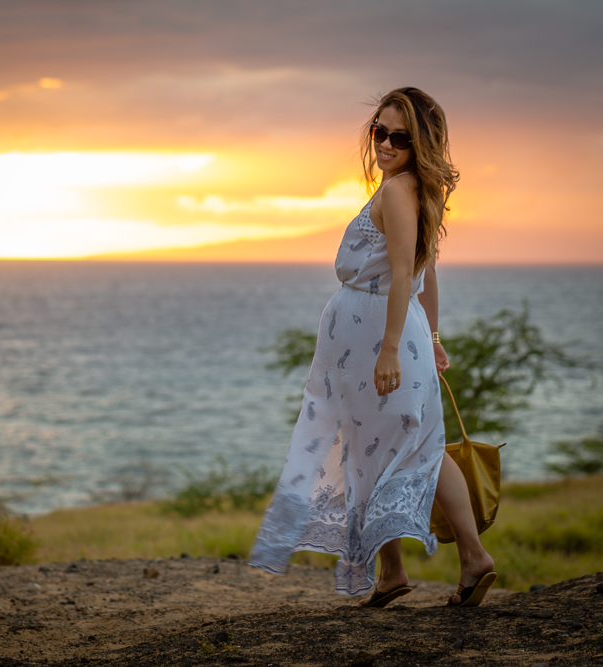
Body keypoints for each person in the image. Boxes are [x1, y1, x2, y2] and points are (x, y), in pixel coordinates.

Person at [248, 87, 496, 608]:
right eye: (377, 131)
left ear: (421, 143)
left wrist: (391, 350)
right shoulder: (416, 190)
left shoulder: (398, 192)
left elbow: (407, 273)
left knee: (371, 449)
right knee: (413, 445)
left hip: (375, 336)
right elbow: (427, 272)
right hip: (386, 332)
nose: (384, 143)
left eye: (398, 137)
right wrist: (429, 338)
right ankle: (419, 568)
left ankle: (425, 566)